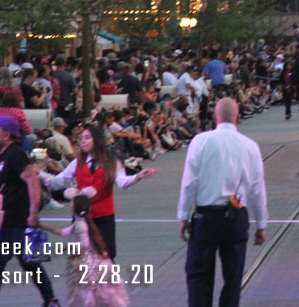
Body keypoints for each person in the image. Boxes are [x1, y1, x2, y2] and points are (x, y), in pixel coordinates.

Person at [177, 98, 268, 307]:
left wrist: (183, 216)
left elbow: (189, 183)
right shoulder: (251, 146)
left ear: (214, 117)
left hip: (206, 218)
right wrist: (261, 224)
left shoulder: (200, 141)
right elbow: (257, 190)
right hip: (236, 219)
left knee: (199, 276)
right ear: (238, 117)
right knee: (233, 279)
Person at [0, 115, 59, 307]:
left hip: (13, 219)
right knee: (29, 262)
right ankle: (50, 299)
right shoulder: (4, 156)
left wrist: (33, 212)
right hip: (11, 218)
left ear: (7, 134)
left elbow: (32, 180)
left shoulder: (15, 154)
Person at [41, 123, 159, 260]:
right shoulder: (77, 162)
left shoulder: (111, 162)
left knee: (106, 257)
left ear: (97, 140)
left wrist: (138, 177)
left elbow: (122, 182)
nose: (83, 141)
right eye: (81, 138)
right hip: (81, 218)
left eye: (87, 138)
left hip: (104, 217)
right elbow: (57, 182)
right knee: (82, 259)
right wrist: (39, 173)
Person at [43, 187, 129, 307]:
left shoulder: (80, 225)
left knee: (85, 291)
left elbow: (85, 244)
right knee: (100, 289)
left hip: (86, 263)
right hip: (94, 260)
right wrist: (43, 226)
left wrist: (68, 247)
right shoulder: (82, 222)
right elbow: (65, 232)